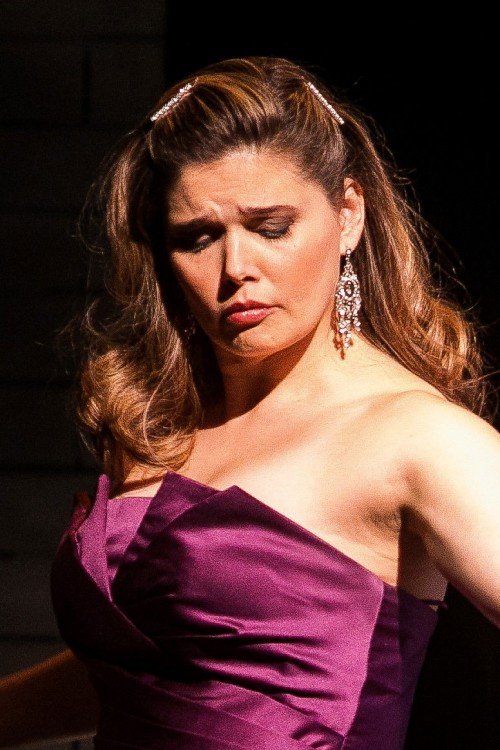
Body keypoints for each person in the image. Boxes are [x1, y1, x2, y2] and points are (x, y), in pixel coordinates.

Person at [0, 55, 499, 750]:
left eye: (271, 227)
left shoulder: (418, 439)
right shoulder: (166, 426)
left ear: (349, 215)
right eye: (197, 238)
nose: (235, 269)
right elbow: (161, 677)